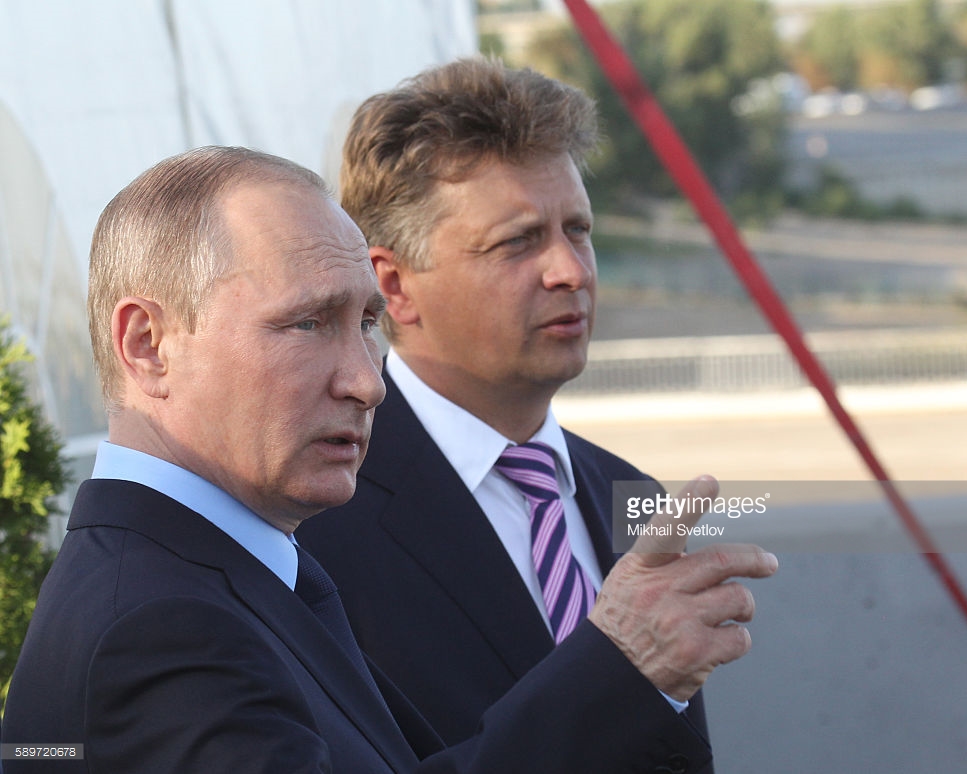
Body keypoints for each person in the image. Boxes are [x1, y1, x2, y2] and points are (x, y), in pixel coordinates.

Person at [0, 145, 777, 773]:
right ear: (147, 345)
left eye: (366, 322)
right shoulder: (163, 628)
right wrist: (620, 669)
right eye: (307, 324)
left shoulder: (235, 575)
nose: (367, 382)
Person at [296, 57, 767, 769]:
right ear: (392, 284)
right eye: (517, 241)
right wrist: (616, 673)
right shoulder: (316, 520)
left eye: (578, 229)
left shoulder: (628, 493)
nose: (570, 270)